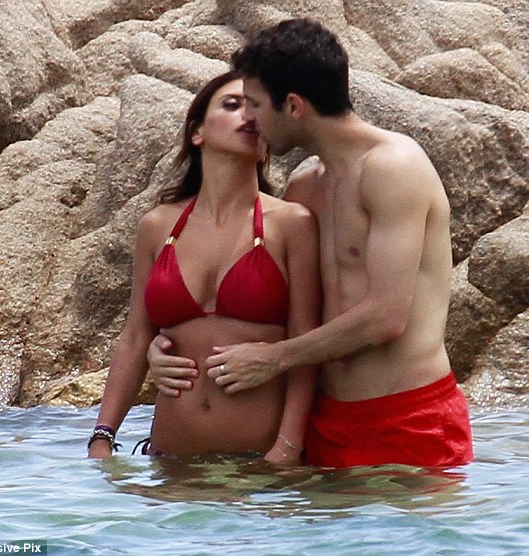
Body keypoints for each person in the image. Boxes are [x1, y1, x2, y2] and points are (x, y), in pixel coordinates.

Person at [148, 18, 474, 469]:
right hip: (326, 425)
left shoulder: (394, 168)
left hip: (408, 416)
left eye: (256, 104)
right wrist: (165, 349)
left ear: (294, 106)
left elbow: (386, 317)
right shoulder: (305, 189)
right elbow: (273, 307)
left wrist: (276, 359)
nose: (251, 120)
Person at [88, 70, 321, 465]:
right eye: (232, 105)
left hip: (259, 468)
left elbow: (306, 344)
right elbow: (135, 338)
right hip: (169, 463)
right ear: (197, 132)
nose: (248, 116)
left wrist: (287, 449)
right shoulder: (158, 226)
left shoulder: (291, 224)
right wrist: (102, 439)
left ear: (267, 145)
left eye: (257, 109)